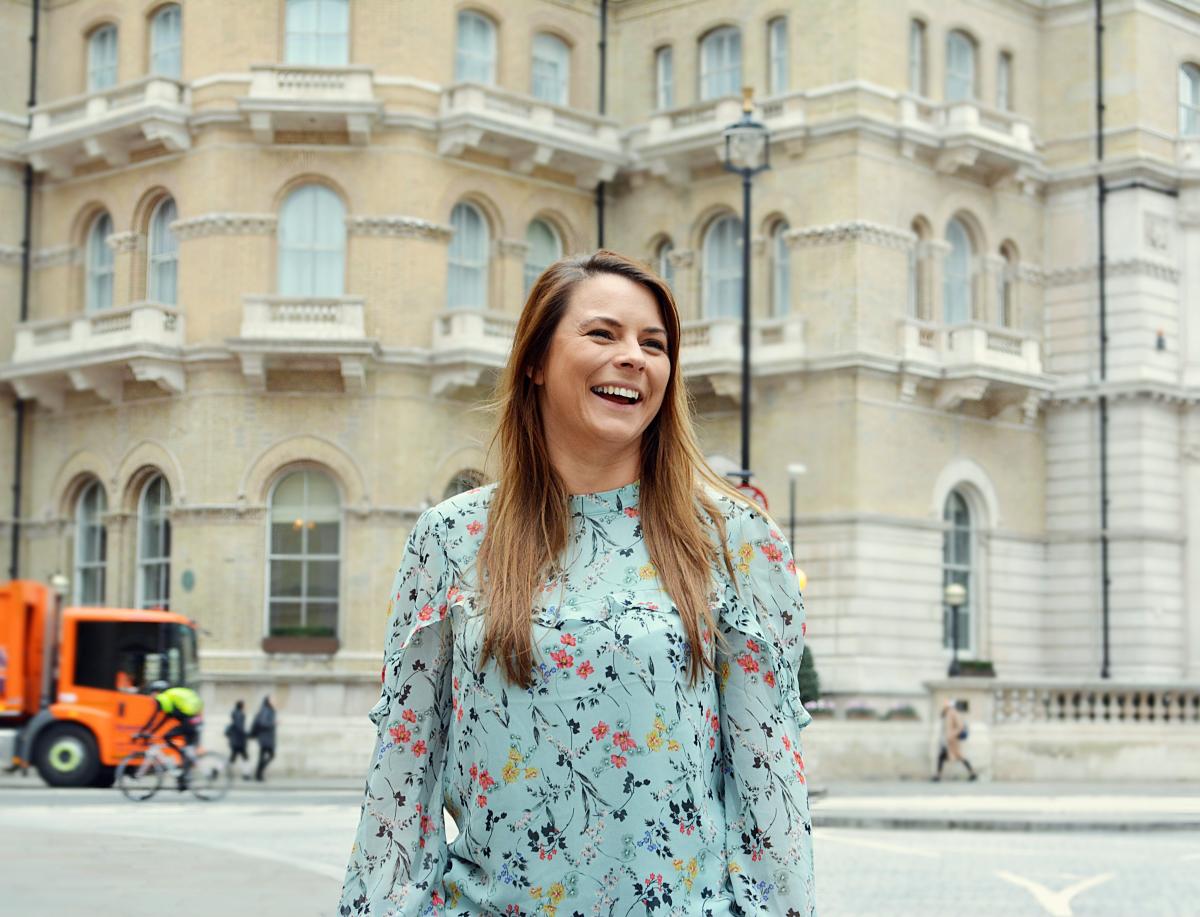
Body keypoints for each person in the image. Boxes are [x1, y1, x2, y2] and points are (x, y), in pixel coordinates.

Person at [338, 251, 816, 915]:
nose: (633, 357)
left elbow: (772, 799)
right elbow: (400, 785)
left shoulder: (736, 541)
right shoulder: (450, 540)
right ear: (536, 360)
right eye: (603, 333)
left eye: (654, 344)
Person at [137, 681, 204, 790]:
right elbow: (164, 719)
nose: (151, 696)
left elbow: (154, 718)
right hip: (195, 721)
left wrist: (144, 732)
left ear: (157, 692)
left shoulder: (162, 698)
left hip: (190, 722)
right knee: (185, 750)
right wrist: (149, 732)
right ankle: (183, 780)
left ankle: (183, 771)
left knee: (167, 737)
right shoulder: (170, 699)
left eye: (152, 693)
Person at [933, 698, 978, 781]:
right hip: (947, 740)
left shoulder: (953, 713)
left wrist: (951, 735)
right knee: (947, 756)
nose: (944, 705)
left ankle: (938, 775)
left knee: (952, 756)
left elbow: (960, 726)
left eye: (946, 704)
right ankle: (972, 773)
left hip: (952, 740)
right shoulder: (946, 713)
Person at [249, 695, 276, 781]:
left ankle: (258, 774)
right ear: (268, 701)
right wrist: (273, 723)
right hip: (265, 738)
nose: (274, 701)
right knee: (271, 755)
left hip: (265, 737)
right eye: (273, 700)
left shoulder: (268, 710)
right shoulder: (266, 710)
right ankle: (259, 773)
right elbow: (263, 723)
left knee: (263, 756)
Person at [225, 699, 251, 780]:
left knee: (233, 758)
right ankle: (246, 774)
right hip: (239, 741)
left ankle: (216, 771)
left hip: (235, 740)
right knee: (245, 757)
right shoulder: (240, 714)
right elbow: (240, 727)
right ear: (242, 706)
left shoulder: (235, 714)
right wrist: (247, 734)